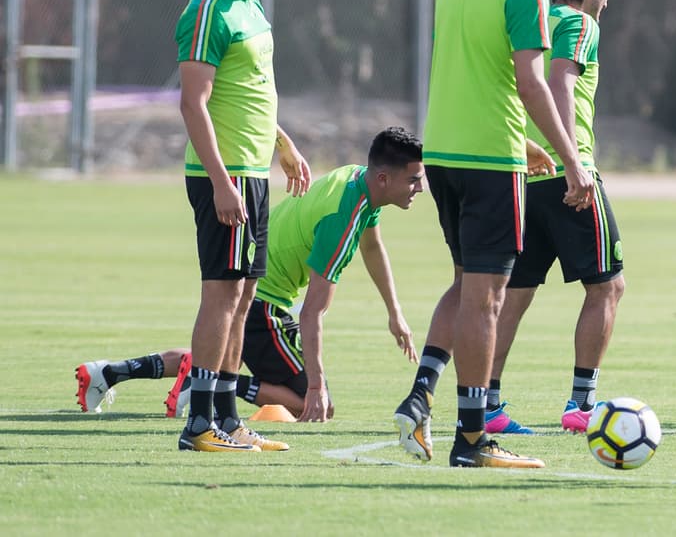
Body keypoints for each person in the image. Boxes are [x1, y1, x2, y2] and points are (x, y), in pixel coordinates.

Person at [392, 0, 594, 469]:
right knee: (487, 299)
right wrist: (572, 160)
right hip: (488, 163)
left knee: (465, 284)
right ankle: (474, 439)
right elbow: (531, 83)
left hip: (447, 155)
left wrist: (527, 142)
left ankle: (422, 392)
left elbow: (472, 73)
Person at [74, 127, 424, 424]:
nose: (419, 189)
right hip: (266, 305)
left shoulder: (354, 179)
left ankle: (107, 372)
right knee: (315, 405)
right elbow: (312, 313)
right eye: (413, 180)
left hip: (254, 284)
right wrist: (317, 387)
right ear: (383, 178)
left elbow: (374, 248)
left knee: (216, 352)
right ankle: (202, 384)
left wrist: (395, 313)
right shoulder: (342, 219)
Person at [169, 0, 311, 453]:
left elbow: (248, 90)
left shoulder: (251, 6)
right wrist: (223, 181)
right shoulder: (209, 8)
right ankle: (199, 422)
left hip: (253, 174)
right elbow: (193, 103)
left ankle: (227, 418)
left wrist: (283, 143)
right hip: (224, 178)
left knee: (245, 296)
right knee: (222, 296)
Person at [482, 0, 623, 436]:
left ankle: (486, 402)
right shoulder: (581, 24)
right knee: (608, 286)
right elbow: (561, 81)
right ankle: (583, 404)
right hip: (568, 172)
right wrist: (573, 165)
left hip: (524, 174)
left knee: (515, 294)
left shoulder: (539, 21)